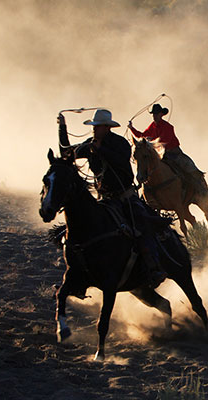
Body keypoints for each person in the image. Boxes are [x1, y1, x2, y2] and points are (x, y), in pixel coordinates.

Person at [58, 109, 166, 287]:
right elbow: (67, 153)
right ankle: (81, 274)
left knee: (141, 225)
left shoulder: (120, 144)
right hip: (104, 199)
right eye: (94, 127)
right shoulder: (90, 144)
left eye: (97, 127)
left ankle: (153, 267)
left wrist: (101, 149)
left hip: (125, 198)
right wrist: (62, 128)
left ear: (107, 128)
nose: (94, 130)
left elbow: (120, 161)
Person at [128, 104, 208, 198]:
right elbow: (142, 135)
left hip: (174, 153)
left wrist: (151, 141)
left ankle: (200, 188)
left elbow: (165, 141)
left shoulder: (168, 127)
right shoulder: (153, 126)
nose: (155, 116)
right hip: (160, 154)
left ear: (161, 114)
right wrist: (132, 128)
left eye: (156, 114)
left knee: (188, 166)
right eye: (154, 114)